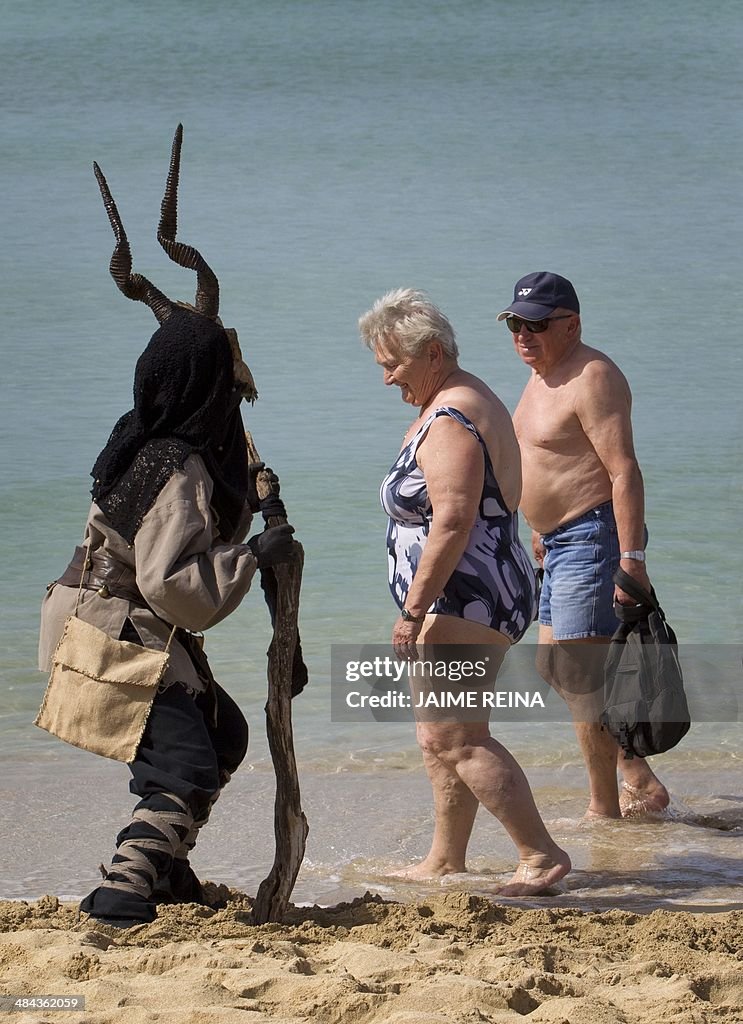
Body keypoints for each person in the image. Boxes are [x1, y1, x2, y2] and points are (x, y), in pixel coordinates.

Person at [37, 141, 296, 928]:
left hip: (102, 617)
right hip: (118, 628)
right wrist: (254, 552)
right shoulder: (175, 464)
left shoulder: (140, 438)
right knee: (183, 762)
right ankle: (123, 889)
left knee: (223, 733)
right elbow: (172, 585)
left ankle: (167, 871)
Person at [359, 288, 570, 895]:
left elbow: (452, 520)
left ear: (431, 352)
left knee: (453, 735)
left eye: (392, 364)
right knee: (441, 735)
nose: (387, 379)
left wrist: (413, 608)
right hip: (471, 593)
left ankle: (541, 854)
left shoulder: (452, 416)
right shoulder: (455, 398)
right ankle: (445, 858)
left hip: (465, 596)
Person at [499, 271, 670, 819]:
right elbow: (545, 459)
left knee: (577, 670)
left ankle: (605, 807)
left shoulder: (592, 376)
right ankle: (635, 773)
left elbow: (623, 471)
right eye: (515, 324)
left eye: (538, 324)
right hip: (557, 540)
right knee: (556, 668)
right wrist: (535, 527)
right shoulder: (541, 375)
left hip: (593, 534)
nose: (524, 335)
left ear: (571, 324)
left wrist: (632, 560)